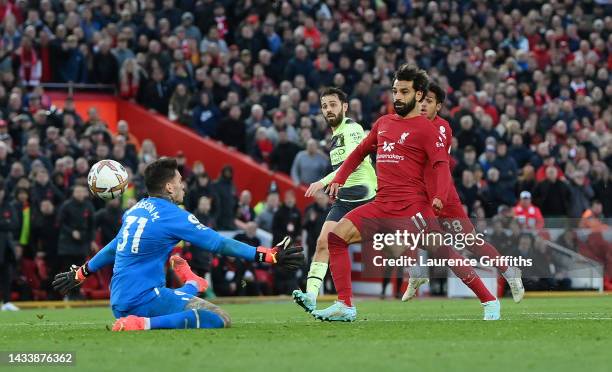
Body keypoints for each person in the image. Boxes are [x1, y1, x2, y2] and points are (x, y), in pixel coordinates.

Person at [313, 65, 500, 321]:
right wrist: (341, 178)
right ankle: (345, 305)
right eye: (394, 91)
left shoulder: (426, 129)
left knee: (443, 251)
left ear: (419, 95)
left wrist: (440, 197)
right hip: (381, 206)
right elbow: (359, 152)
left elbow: (441, 166)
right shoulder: (383, 123)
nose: (397, 97)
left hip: (412, 209)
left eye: (404, 91)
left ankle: (489, 301)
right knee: (335, 238)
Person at [52, 158, 303, 331]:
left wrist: (82, 271)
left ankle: (194, 283)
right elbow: (217, 243)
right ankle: (143, 324)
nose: (183, 185)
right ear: (170, 187)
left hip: (119, 300)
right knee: (218, 318)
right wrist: (266, 255)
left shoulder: (135, 210)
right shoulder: (173, 215)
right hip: (144, 301)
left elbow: (115, 246)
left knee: (179, 295)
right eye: (180, 180)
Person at [403, 83, 524, 303]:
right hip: (421, 196)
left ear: (438, 106)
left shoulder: (441, 128)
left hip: (443, 195)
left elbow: (436, 161)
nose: (422, 105)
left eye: (428, 101)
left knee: (470, 241)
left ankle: (509, 271)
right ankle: (416, 273)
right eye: (420, 100)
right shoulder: (408, 125)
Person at [292, 87, 376, 313]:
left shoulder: (352, 128)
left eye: (333, 104)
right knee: (323, 243)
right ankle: (311, 296)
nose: (328, 109)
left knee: (389, 238)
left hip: (365, 196)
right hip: (345, 198)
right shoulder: (336, 135)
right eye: (324, 106)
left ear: (345, 107)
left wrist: (324, 181)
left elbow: (354, 161)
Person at [0, 181, 19, 311]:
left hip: (5, 247)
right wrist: (4, 223)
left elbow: (14, 224)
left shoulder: (8, 206)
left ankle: (6, 302)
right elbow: (8, 224)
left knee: (6, 275)